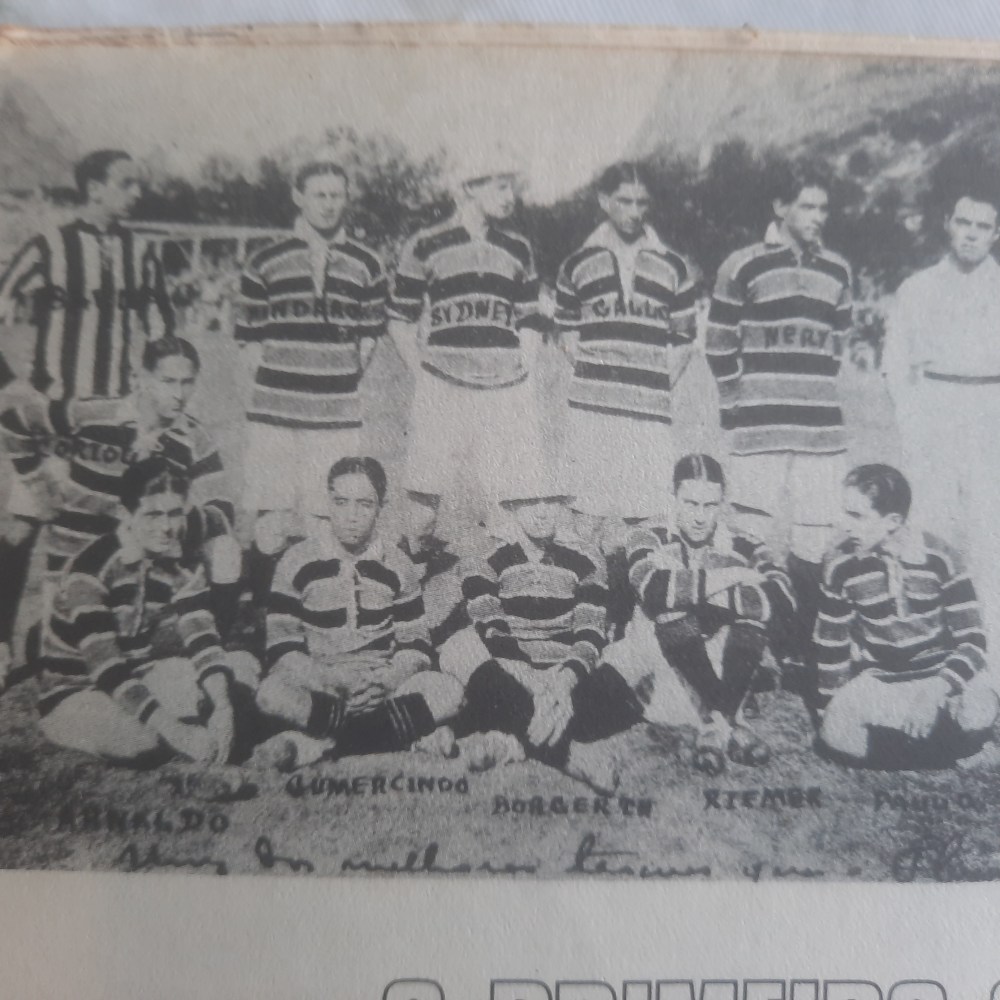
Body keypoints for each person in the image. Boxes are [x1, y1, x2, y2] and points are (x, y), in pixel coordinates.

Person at [0, 149, 173, 680]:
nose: (136, 193)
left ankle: (73, 641)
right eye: (126, 183)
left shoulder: (142, 252)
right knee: (22, 525)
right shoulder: (49, 246)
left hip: (114, 421)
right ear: (95, 187)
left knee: (98, 528)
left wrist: (150, 407)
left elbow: (164, 333)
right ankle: (2, 644)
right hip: (52, 419)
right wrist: (12, 389)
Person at [704, 163, 853, 668]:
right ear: (780, 207)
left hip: (820, 430)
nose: (818, 216)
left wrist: (810, 391)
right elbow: (718, 345)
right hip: (760, 424)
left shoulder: (838, 270)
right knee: (748, 530)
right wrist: (734, 406)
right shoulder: (742, 265)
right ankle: (743, 636)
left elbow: (837, 346)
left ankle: (797, 648)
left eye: (824, 208)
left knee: (814, 537)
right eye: (807, 206)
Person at [16, 337, 241, 664]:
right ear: (143, 378)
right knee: (70, 661)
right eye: (168, 381)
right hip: (75, 559)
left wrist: (179, 523)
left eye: (187, 382)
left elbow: (222, 510)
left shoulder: (193, 437)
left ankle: (213, 649)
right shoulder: (93, 413)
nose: (179, 394)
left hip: (139, 566)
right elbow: (16, 422)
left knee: (225, 548)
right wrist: (37, 486)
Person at [234, 152, 387, 609]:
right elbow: (248, 339)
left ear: (347, 199)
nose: (328, 204)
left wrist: (338, 379)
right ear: (298, 197)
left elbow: (369, 338)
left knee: (328, 513)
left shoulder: (367, 263)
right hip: (275, 411)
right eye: (319, 195)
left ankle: (320, 606)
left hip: (336, 412)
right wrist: (270, 390)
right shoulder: (265, 260)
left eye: (337, 195)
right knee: (272, 512)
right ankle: (265, 610)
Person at [39, 458, 257, 765]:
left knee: (230, 677)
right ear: (125, 514)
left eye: (175, 513)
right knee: (141, 741)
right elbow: (106, 668)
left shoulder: (180, 563)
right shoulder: (90, 569)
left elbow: (202, 635)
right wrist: (176, 732)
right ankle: (184, 740)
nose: (167, 527)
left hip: (139, 676)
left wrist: (223, 707)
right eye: (153, 514)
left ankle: (210, 734)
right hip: (79, 690)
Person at [387, 144, 548, 555]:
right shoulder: (425, 243)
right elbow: (399, 317)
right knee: (422, 511)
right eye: (500, 186)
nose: (510, 196)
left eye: (511, 187)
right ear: (470, 188)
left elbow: (531, 317)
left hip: (504, 388)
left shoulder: (518, 248)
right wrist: (422, 373)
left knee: (509, 507)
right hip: (444, 386)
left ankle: (505, 584)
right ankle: (413, 576)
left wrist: (525, 366)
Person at [254, 457, 460, 770]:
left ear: (381, 508)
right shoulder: (296, 560)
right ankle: (400, 736)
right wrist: (334, 682)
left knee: (449, 691)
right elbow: (282, 649)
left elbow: (416, 645)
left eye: (364, 505)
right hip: (321, 683)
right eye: (341, 502)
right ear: (329, 502)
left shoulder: (398, 564)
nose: (351, 516)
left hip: (382, 685)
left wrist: (386, 682)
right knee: (271, 693)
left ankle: (319, 744)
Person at [438, 476, 638, 793]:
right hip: (511, 671)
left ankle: (512, 742)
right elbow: (493, 630)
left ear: (562, 505)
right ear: (513, 506)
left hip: (563, 672)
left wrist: (562, 683)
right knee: (461, 648)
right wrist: (533, 684)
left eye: (550, 501)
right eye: (531, 502)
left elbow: (590, 631)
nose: (542, 511)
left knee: (621, 671)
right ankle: (569, 754)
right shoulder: (485, 556)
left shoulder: (587, 558)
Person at [814, 464, 998, 769]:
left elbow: (974, 641)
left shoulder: (941, 557)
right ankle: (951, 750)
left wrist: (936, 691)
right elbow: (831, 646)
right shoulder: (839, 565)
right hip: (884, 680)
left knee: (980, 706)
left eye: (856, 516)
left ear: (893, 521)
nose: (845, 526)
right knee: (836, 734)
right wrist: (829, 714)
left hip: (940, 677)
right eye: (845, 513)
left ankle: (914, 743)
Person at [619, 454, 795, 774]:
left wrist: (692, 592)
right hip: (663, 659)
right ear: (673, 497)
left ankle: (715, 724)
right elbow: (653, 590)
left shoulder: (743, 541)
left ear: (722, 503)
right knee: (672, 612)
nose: (700, 517)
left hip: (716, 657)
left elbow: (782, 598)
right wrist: (733, 577)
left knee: (749, 618)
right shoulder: (646, 534)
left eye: (710, 505)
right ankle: (729, 722)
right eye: (690, 503)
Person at [883, 181, 1000, 644]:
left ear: (996, 233)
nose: (971, 234)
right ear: (948, 224)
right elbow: (894, 363)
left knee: (989, 531)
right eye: (964, 222)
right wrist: (913, 421)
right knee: (929, 528)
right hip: (934, 410)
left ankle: (988, 645)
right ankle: (928, 638)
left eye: (983, 226)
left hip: (990, 413)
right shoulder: (918, 288)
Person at [554, 161, 698, 534]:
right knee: (586, 515)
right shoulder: (577, 263)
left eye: (642, 202)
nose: (634, 212)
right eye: (624, 201)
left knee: (648, 516)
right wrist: (593, 371)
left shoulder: (673, 266)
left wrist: (658, 381)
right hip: (592, 408)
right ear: (604, 201)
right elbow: (566, 330)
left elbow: (684, 340)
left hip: (648, 411)